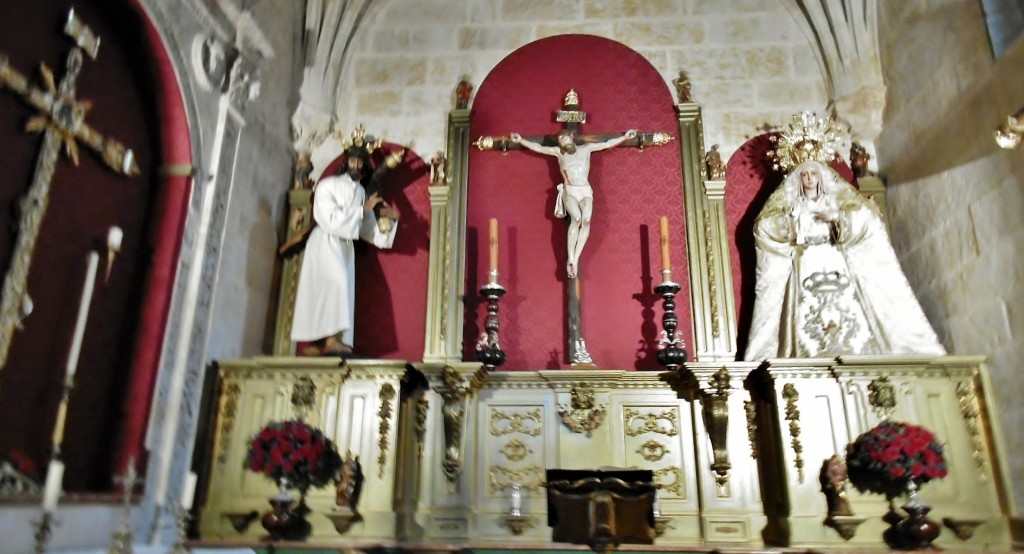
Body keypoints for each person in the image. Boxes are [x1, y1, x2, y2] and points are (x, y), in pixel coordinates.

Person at [744, 159, 946, 360]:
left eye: (813, 174)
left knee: (849, 306)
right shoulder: (791, 206)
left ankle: (859, 350)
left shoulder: (837, 201)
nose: (809, 178)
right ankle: (809, 352)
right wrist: (795, 223)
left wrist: (838, 220)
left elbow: (868, 221)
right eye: (804, 175)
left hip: (836, 261)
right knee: (806, 308)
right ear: (798, 179)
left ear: (821, 177)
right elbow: (764, 228)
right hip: (806, 264)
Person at [290, 143, 403, 356]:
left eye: (360, 162)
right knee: (334, 284)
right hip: (325, 241)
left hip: (344, 246)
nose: (356, 165)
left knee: (341, 289)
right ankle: (326, 341)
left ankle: (330, 342)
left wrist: (390, 220)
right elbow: (327, 216)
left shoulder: (360, 191)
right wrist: (362, 210)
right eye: (353, 160)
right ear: (346, 162)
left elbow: (365, 225)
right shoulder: (328, 185)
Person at [509, 128, 637, 279]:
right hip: (570, 190)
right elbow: (539, 148)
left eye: (564, 139)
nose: (563, 143)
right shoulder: (558, 152)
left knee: (586, 220)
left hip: (585, 190)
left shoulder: (587, 148)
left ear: (570, 136)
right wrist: (521, 140)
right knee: (576, 219)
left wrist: (624, 138)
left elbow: (606, 144)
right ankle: (570, 257)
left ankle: (575, 258)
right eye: (560, 141)